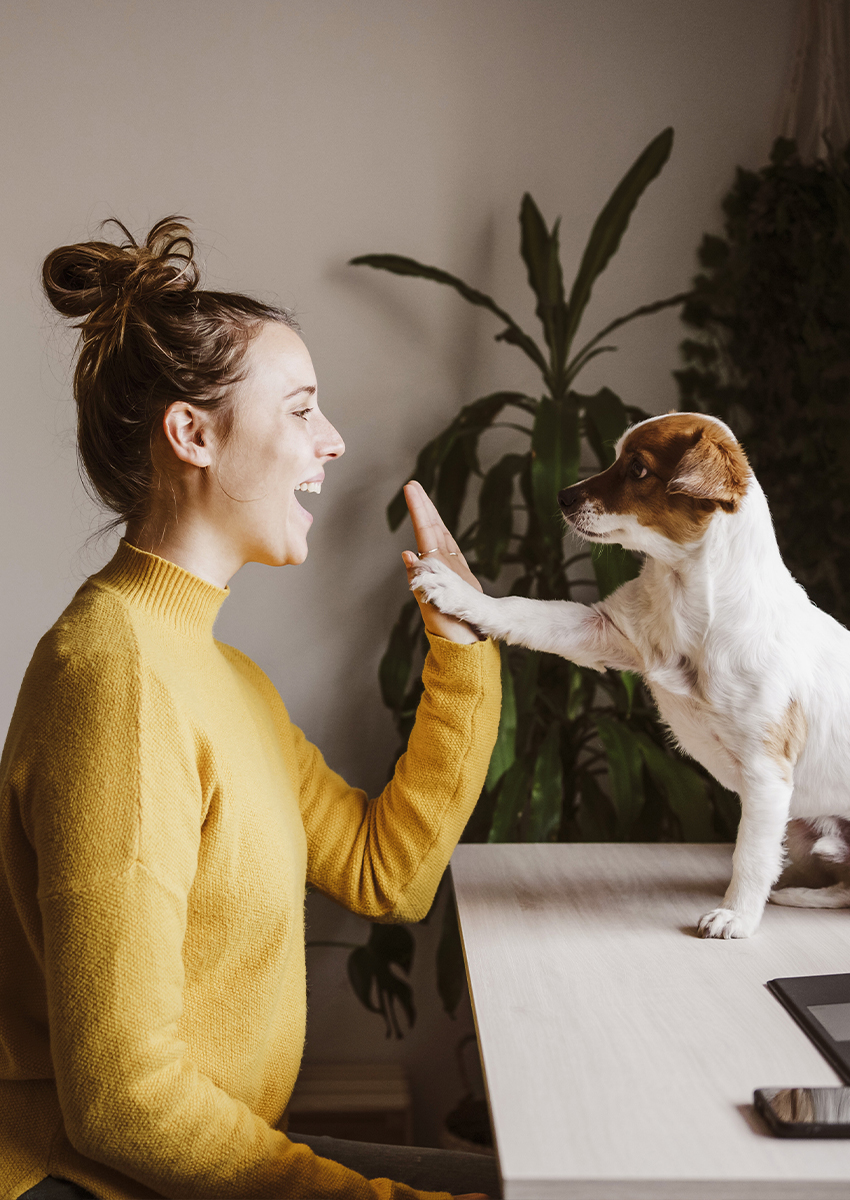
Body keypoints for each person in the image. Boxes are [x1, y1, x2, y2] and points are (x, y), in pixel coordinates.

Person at [0, 218, 502, 1200]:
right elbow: (123, 1103)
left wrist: (463, 648)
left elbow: (387, 874)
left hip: (183, 1164)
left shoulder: (224, 679)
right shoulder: (116, 679)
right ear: (192, 434)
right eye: (302, 409)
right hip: (82, 1178)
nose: (332, 440)